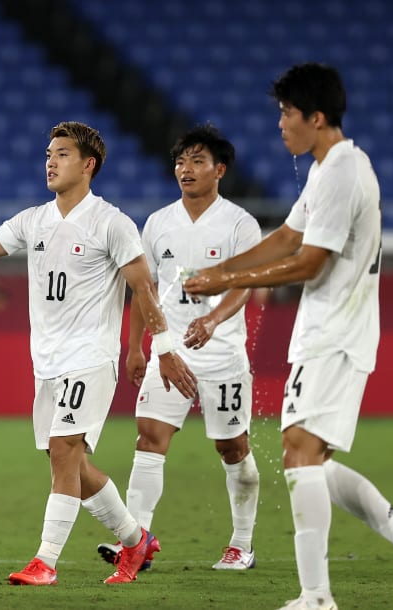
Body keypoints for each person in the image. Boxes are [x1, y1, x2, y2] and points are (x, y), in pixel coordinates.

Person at [184, 63, 393, 610]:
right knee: (310, 459)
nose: (281, 125)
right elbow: (286, 235)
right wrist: (224, 268)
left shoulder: (343, 173)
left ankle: (316, 597)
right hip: (328, 332)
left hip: (336, 333)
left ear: (317, 116)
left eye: (287, 113)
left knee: (299, 454)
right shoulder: (330, 169)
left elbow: (308, 262)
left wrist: (228, 277)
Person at [0, 121, 197, 586]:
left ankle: (45, 561)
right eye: (48, 153)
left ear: (88, 165)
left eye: (62, 153)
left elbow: (143, 286)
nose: (50, 160)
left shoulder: (111, 222)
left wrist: (160, 347)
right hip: (46, 362)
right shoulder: (34, 220)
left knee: (66, 449)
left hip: (91, 356)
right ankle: (135, 539)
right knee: (71, 463)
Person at [97, 125, 262, 572]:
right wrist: (134, 347)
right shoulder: (158, 223)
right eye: (180, 162)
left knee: (232, 448)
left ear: (219, 170)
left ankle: (241, 544)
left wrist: (212, 319)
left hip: (223, 352)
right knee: (149, 438)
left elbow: (246, 284)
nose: (185, 170)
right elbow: (143, 288)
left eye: (197, 161)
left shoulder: (239, 223)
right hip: (169, 351)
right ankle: (136, 541)